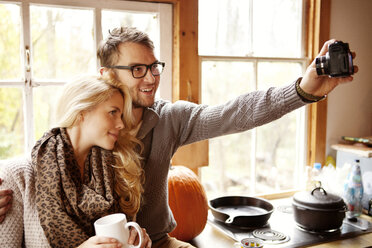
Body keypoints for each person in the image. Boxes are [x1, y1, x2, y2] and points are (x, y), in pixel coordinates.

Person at [1, 27, 358, 247]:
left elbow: (238, 112)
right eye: (137, 69)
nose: (151, 78)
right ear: (107, 74)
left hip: (160, 242)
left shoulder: (170, 119)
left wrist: (304, 90)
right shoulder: (90, 126)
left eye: (154, 67)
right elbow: (38, 174)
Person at [0, 75, 152, 248]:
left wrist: (135, 240)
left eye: (122, 115)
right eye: (112, 112)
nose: (121, 124)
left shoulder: (117, 169)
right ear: (81, 113)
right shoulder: (18, 176)